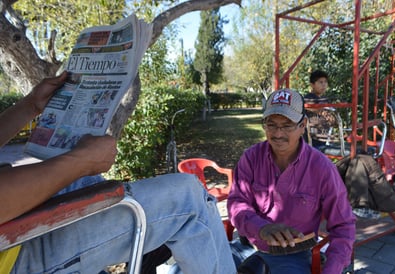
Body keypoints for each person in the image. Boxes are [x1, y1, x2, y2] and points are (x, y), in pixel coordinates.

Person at [0, 72, 236, 274]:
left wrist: (30, 105)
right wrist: (79, 160)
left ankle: (144, 247)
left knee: (87, 180)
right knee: (190, 199)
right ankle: (147, 244)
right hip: (18, 251)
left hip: (16, 228)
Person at [227, 88, 356, 274]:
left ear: (303, 125)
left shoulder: (321, 168)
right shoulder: (251, 158)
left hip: (293, 256)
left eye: (287, 125)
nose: (278, 134)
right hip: (248, 248)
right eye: (271, 125)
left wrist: (331, 270)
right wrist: (262, 228)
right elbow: (237, 204)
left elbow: (343, 225)